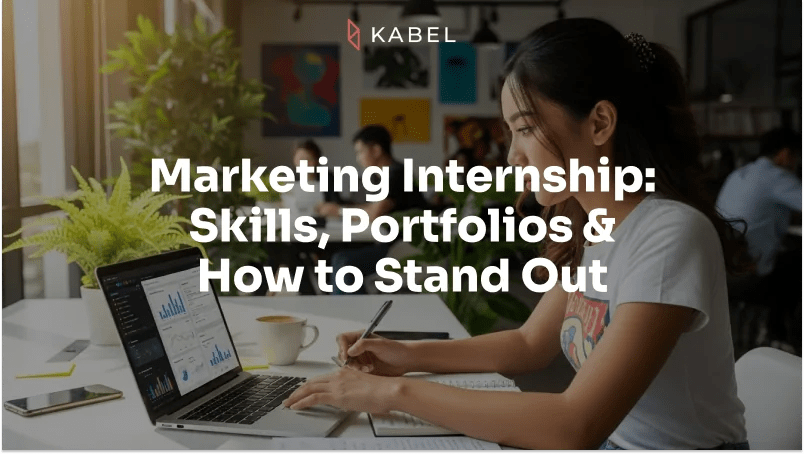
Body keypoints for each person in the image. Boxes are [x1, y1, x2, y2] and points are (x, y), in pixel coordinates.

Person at [283, 18, 750, 450]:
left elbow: (575, 424)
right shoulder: (598, 228)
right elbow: (528, 344)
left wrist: (391, 393)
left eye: (525, 129)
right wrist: (404, 354)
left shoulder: (669, 233)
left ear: (600, 123)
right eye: (511, 133)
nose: (512, 157)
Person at [716, 127, 802, 348]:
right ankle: (783, 337)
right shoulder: (776, 176)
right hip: (749, 275)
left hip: (723, 269)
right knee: (792, 266)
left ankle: (776, 335)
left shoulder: (739, 174)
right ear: (784, 154)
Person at [318, 125, 426, 295]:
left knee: (344, 263)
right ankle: (353, 312)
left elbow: (374, 213)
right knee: (339, 258)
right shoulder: (383, 175)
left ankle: (351, 316)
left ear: (376, 150)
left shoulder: (397, 175)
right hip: (392, 243)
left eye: (360, 152)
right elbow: (369, 209)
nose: (358, 158)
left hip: (406, 249)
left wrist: (338, 211)